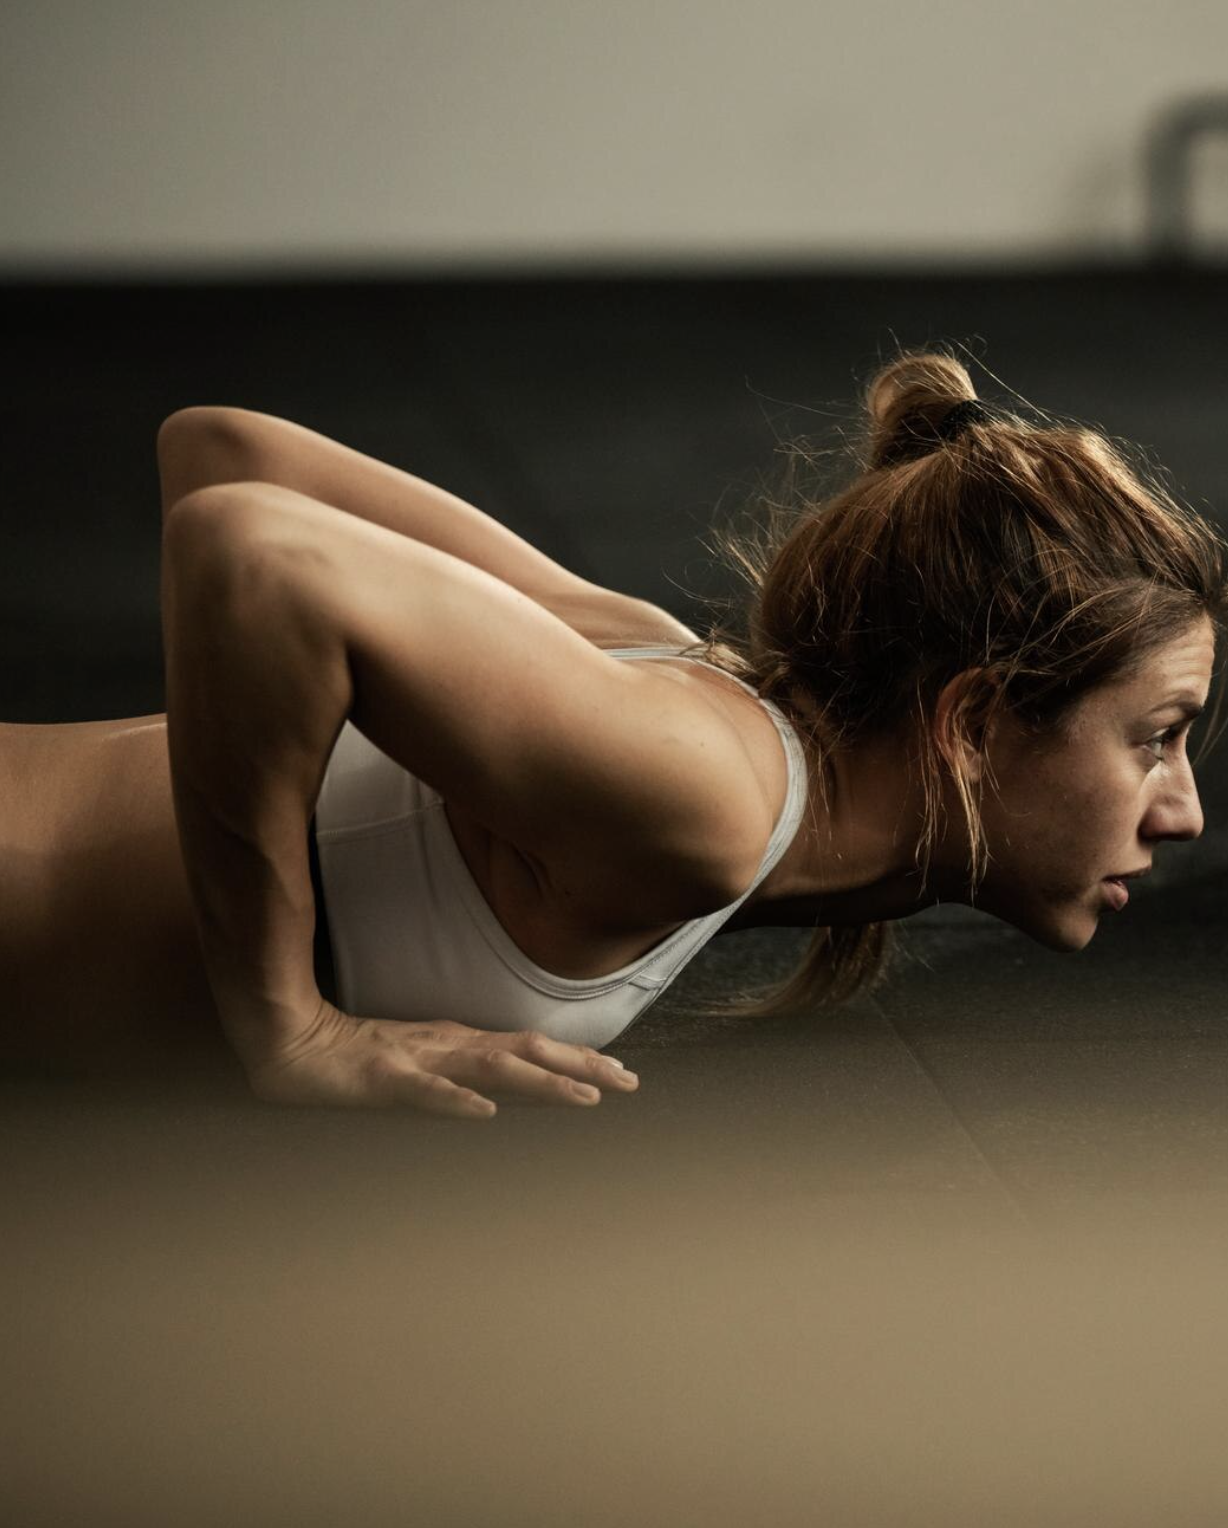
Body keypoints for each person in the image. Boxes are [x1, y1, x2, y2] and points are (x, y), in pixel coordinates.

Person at [4, 351, 1224, 1116]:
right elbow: (247, 544)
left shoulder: (692, 687)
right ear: (968, 721)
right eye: (1155, 737)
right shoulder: (705, 796)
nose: (1184, 812)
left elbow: (222, 442)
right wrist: (285, 1020)